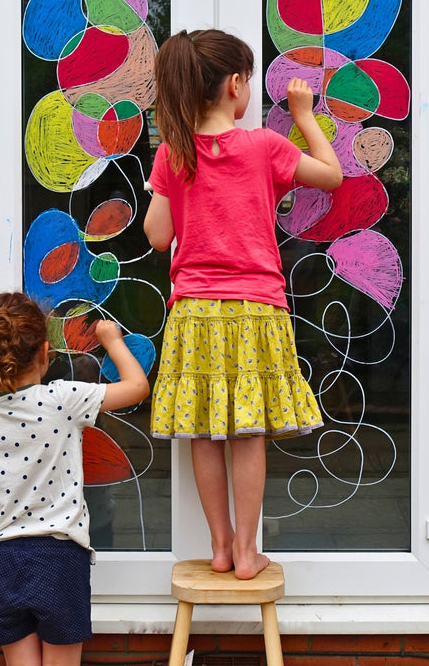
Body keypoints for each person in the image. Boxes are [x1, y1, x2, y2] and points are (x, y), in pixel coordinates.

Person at [144, 29, 343, 580]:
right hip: (257, 308)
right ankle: (250, 553)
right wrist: (303, 115)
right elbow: (331, 175)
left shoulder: (173, 153)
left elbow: (158, 235)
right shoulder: (263, 146)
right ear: (235, 84)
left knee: (204, 428)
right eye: (249, 79)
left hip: (196, 312)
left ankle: (220, 546)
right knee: (248, 431)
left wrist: (175, 187)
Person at [0, 292, 149, 666]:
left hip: (5, 559)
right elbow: (137, 387)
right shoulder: (62, 399)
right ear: (44, 352)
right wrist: (112, 341)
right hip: (61, 558)